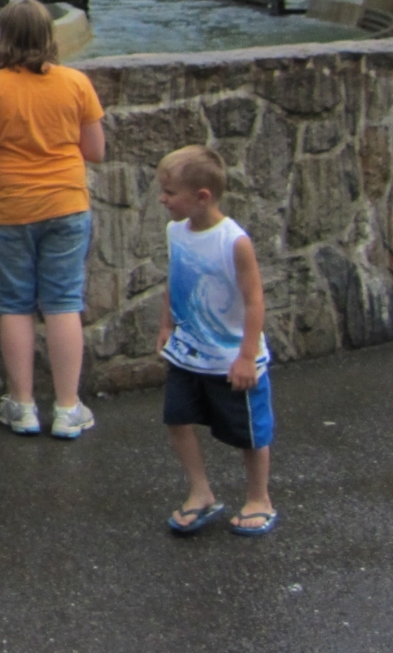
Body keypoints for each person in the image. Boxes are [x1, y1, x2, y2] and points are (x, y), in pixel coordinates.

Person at [0, 0, 105, 439]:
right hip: (65, 204)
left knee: (15, 304)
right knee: (63, 303)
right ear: (49, 37)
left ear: (2, 38)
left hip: (10, 210)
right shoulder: (76, 83)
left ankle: (22, 405)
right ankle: (66, 407)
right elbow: (95, 150)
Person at [154, 145, 276, 537]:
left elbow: (254, 299)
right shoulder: (176, 231)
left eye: (170, 192)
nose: (163, 199)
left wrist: (245, 356)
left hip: (230, 359)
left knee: (249, 432)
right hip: (189, 353)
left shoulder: (233, 241)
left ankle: (259, 498)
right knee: (177, 418)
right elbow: (174, 280)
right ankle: (200, 491)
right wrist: (166, 326)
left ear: (201, 196)